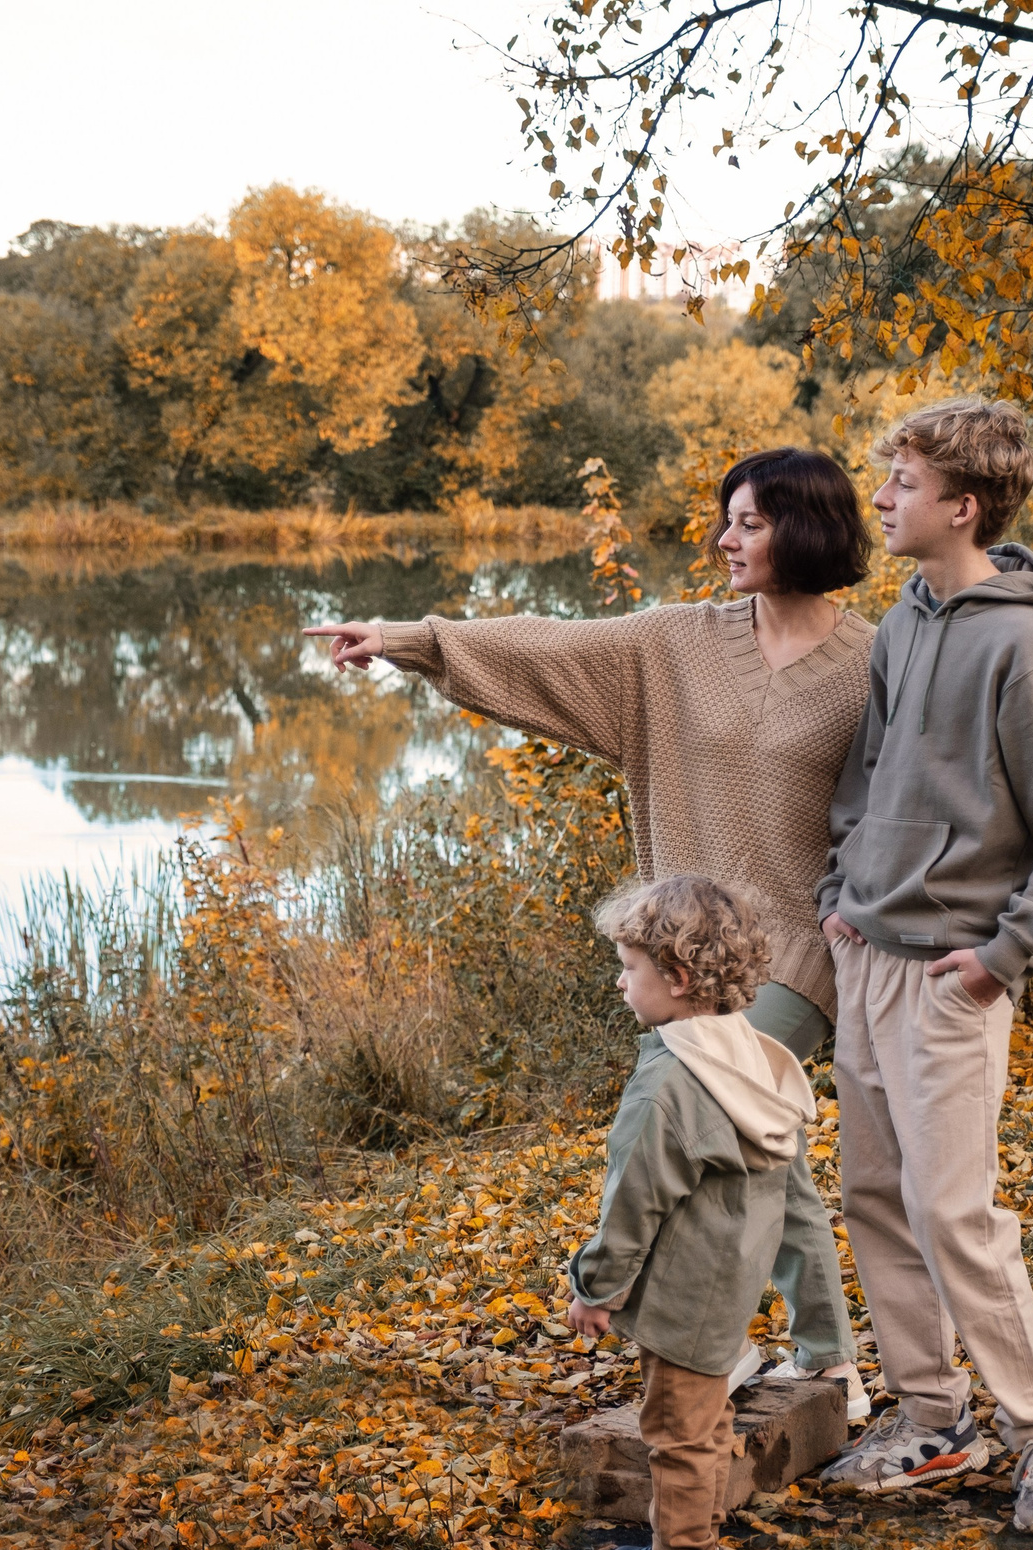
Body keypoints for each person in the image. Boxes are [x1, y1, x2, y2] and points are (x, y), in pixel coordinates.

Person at [305, 447, 875, 1417]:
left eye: (749, 522)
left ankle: (755, 1348)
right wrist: (407, 639)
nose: (724, 539)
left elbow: (915, 799)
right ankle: (816, 1358)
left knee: (704, 1116)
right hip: (690, 949)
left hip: (799, 951)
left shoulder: (873, 660)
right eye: (724, 518)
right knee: (760, 1146)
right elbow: (546, 645)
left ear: (806, 529)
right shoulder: (672, 645)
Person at [815, 398, 1033, 1534]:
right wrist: (840, 895)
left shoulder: (1027, 646)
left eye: (900, 482)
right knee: (877, 1198)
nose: (882, 499)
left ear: (961, 506)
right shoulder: (902, 623)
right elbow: (872, 773)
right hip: (869, 955)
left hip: (953, 971)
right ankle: (932, 1420)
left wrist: (1002, 957)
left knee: (953, 1214)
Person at [565, 876, 813, 1550]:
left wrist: (597, 1285)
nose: (620, 979)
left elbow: (634, 1197)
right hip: (728, 1277)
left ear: (675, 978)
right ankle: (679, 1535)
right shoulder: (748, 1054)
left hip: (682, 1285)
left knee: (677, 1430)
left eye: (630, 966)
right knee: (701, 1422)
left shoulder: (673, 1078)